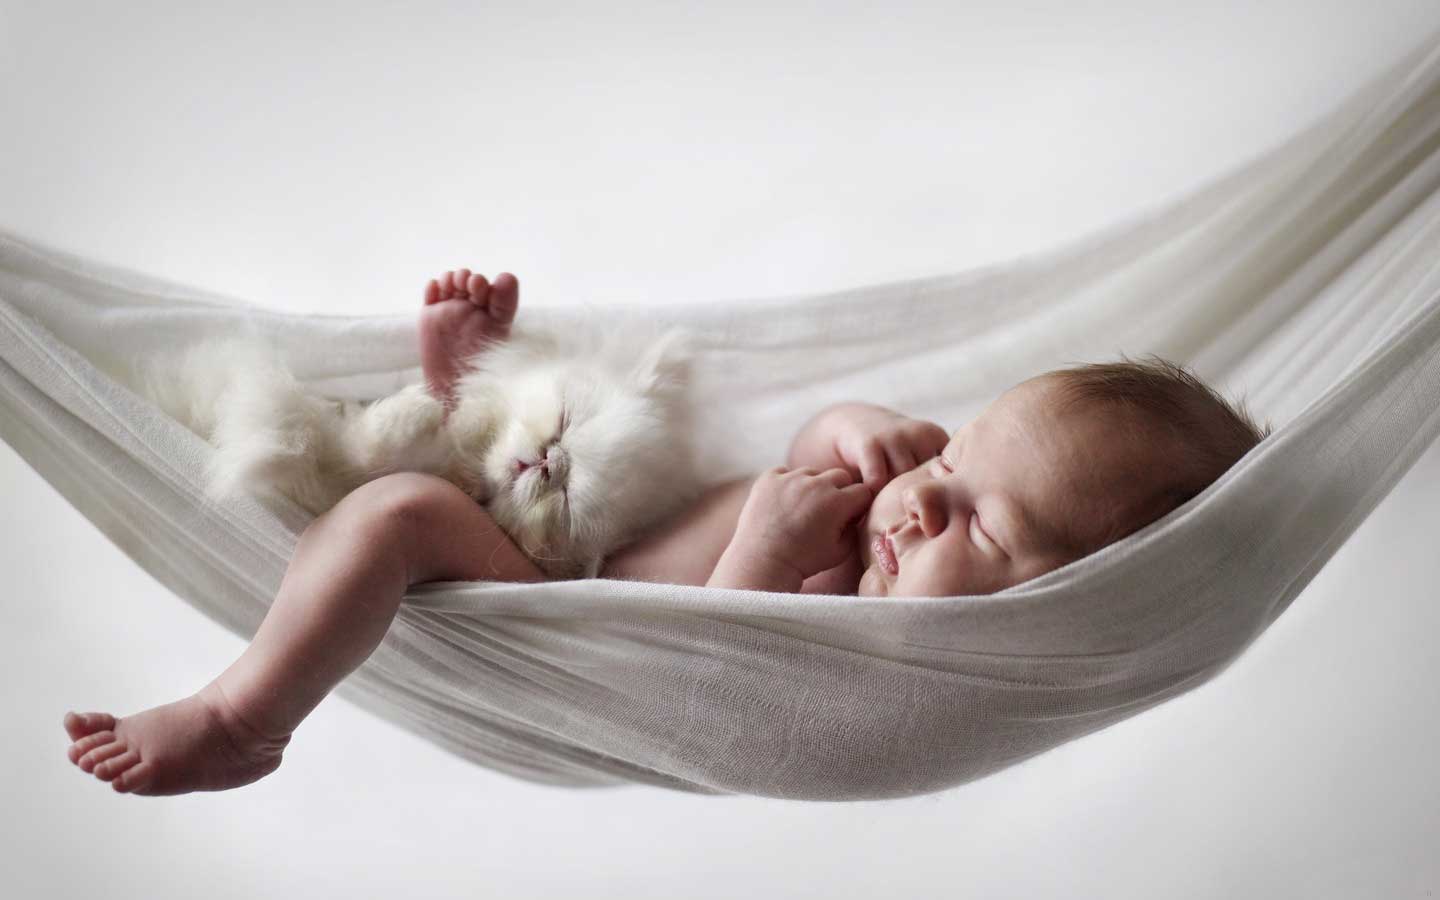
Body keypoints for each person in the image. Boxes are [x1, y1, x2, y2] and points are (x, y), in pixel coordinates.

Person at [61, 268, 1270, 796]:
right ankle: (463, 399)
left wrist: (762, 548)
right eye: (953, 457)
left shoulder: (876, 655)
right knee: (499, 455)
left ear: (1060, 612)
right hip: (573, 527)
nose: (923, 499)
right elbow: (815, 440)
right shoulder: (891, 519)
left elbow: (719, 667)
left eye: (987, 528)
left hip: (563, 609)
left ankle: (241, 719)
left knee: (398, 519)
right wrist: (858, 426)